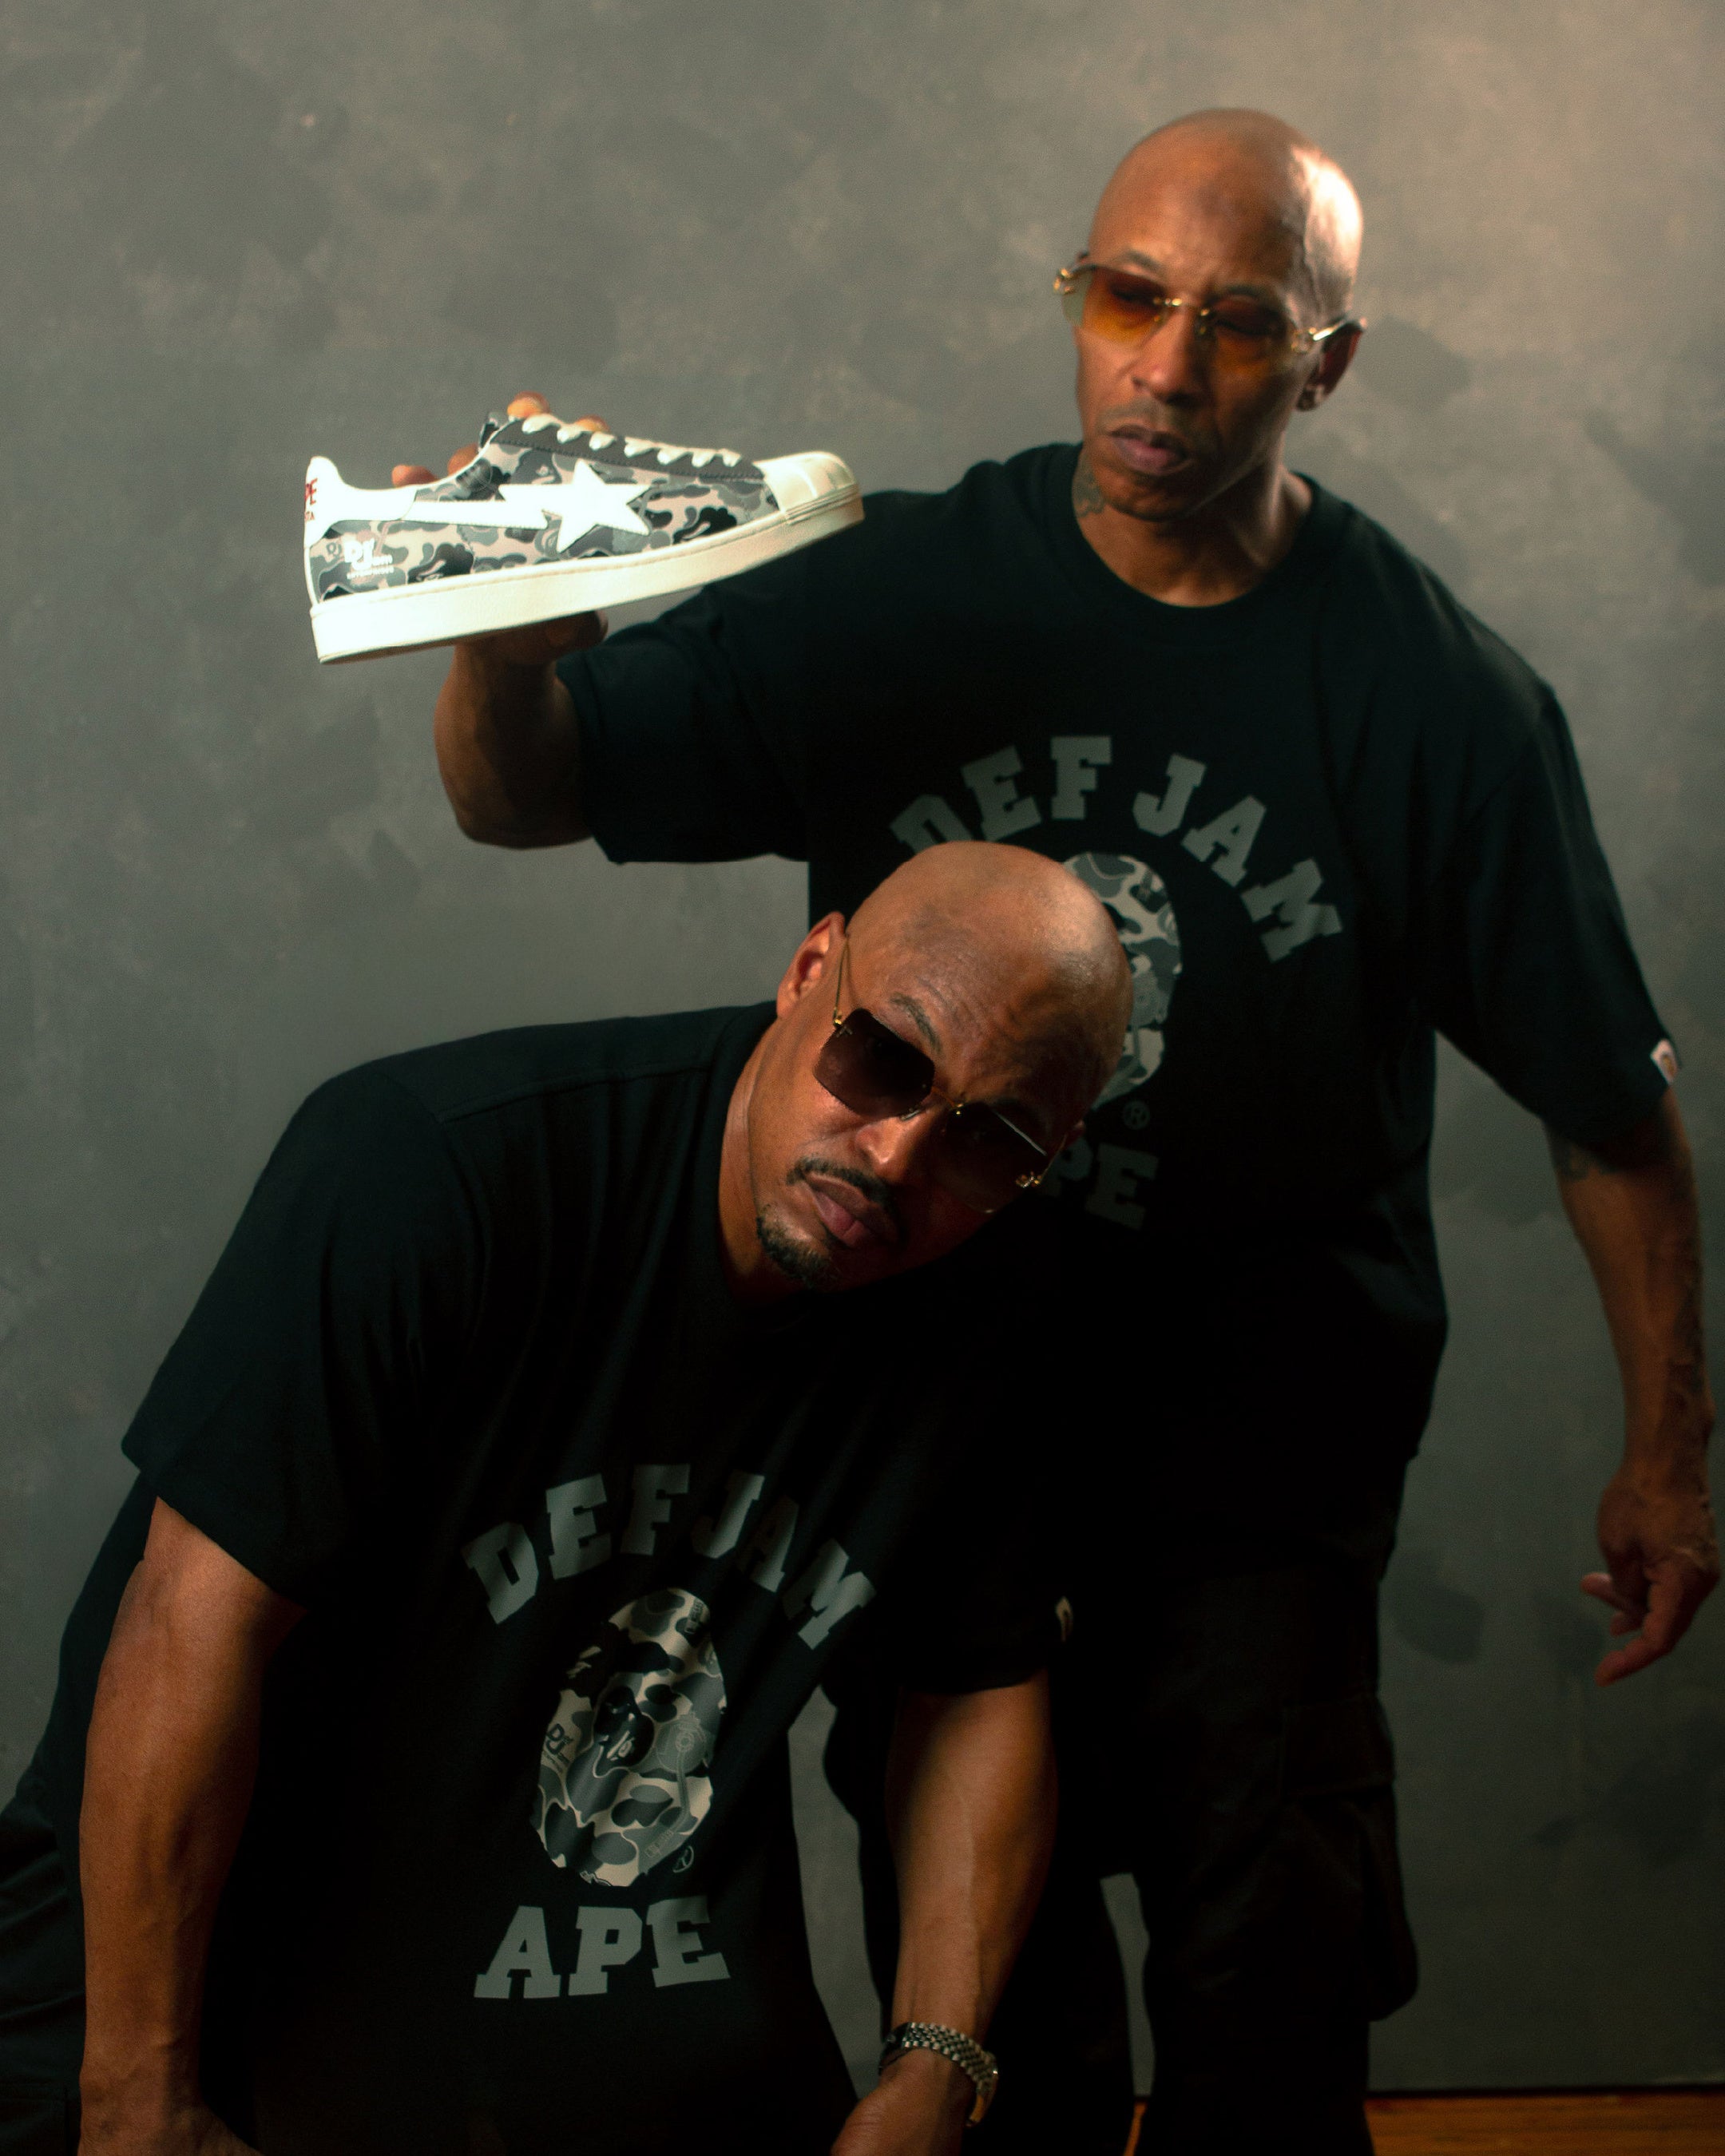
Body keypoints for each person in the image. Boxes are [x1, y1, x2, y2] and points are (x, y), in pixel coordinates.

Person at [410, 104, 1720, 2155]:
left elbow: (1607, 1110)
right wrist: (499, 638)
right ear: (1080, 299)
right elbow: (525, 790)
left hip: (1264, 1443)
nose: (1166, 366)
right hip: (942, 1424)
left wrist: (1670, 1454)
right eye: (1127, 298)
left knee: (1265, 1993)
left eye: (1237, 323)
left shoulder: (1434, 700)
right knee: (993, 2026)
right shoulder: (898, 597)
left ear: (1325, 365)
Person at [0, 842, 1132, 2156]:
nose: (894, 1157)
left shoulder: (987, 1296)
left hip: (602, 1966)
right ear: (810, 969)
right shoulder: (435, 1170)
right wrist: (138, 2106)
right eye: (883, 1060)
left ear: (1050, 1150)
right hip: (210, 1963)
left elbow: (975, 1686)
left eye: (988, 1139)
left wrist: (936, 2068)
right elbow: (189, 1622)